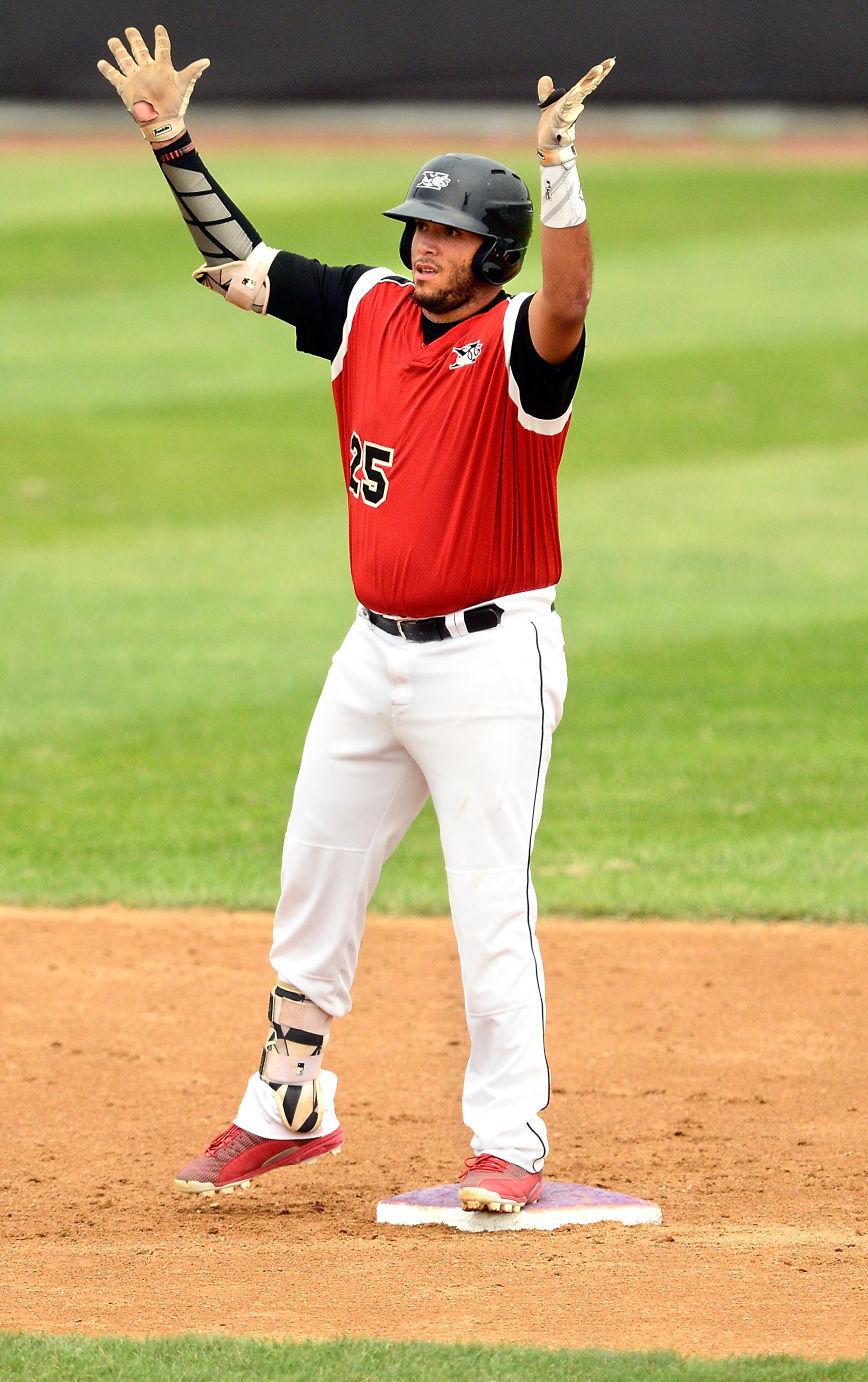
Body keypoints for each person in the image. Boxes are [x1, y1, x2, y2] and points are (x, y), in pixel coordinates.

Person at [98, 24, 614, 1213]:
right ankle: (288, 1099)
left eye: (443, 233)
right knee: (313, 873)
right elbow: (249, 259)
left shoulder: (520, 349)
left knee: (491, 902)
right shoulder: (367, 310)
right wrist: (171, 140)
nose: (419, 244)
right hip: (370, 652)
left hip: (493, 660)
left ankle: (509, 1146)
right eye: (416, 228)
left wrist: (560, 169)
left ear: (493, 253)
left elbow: (574, 298)